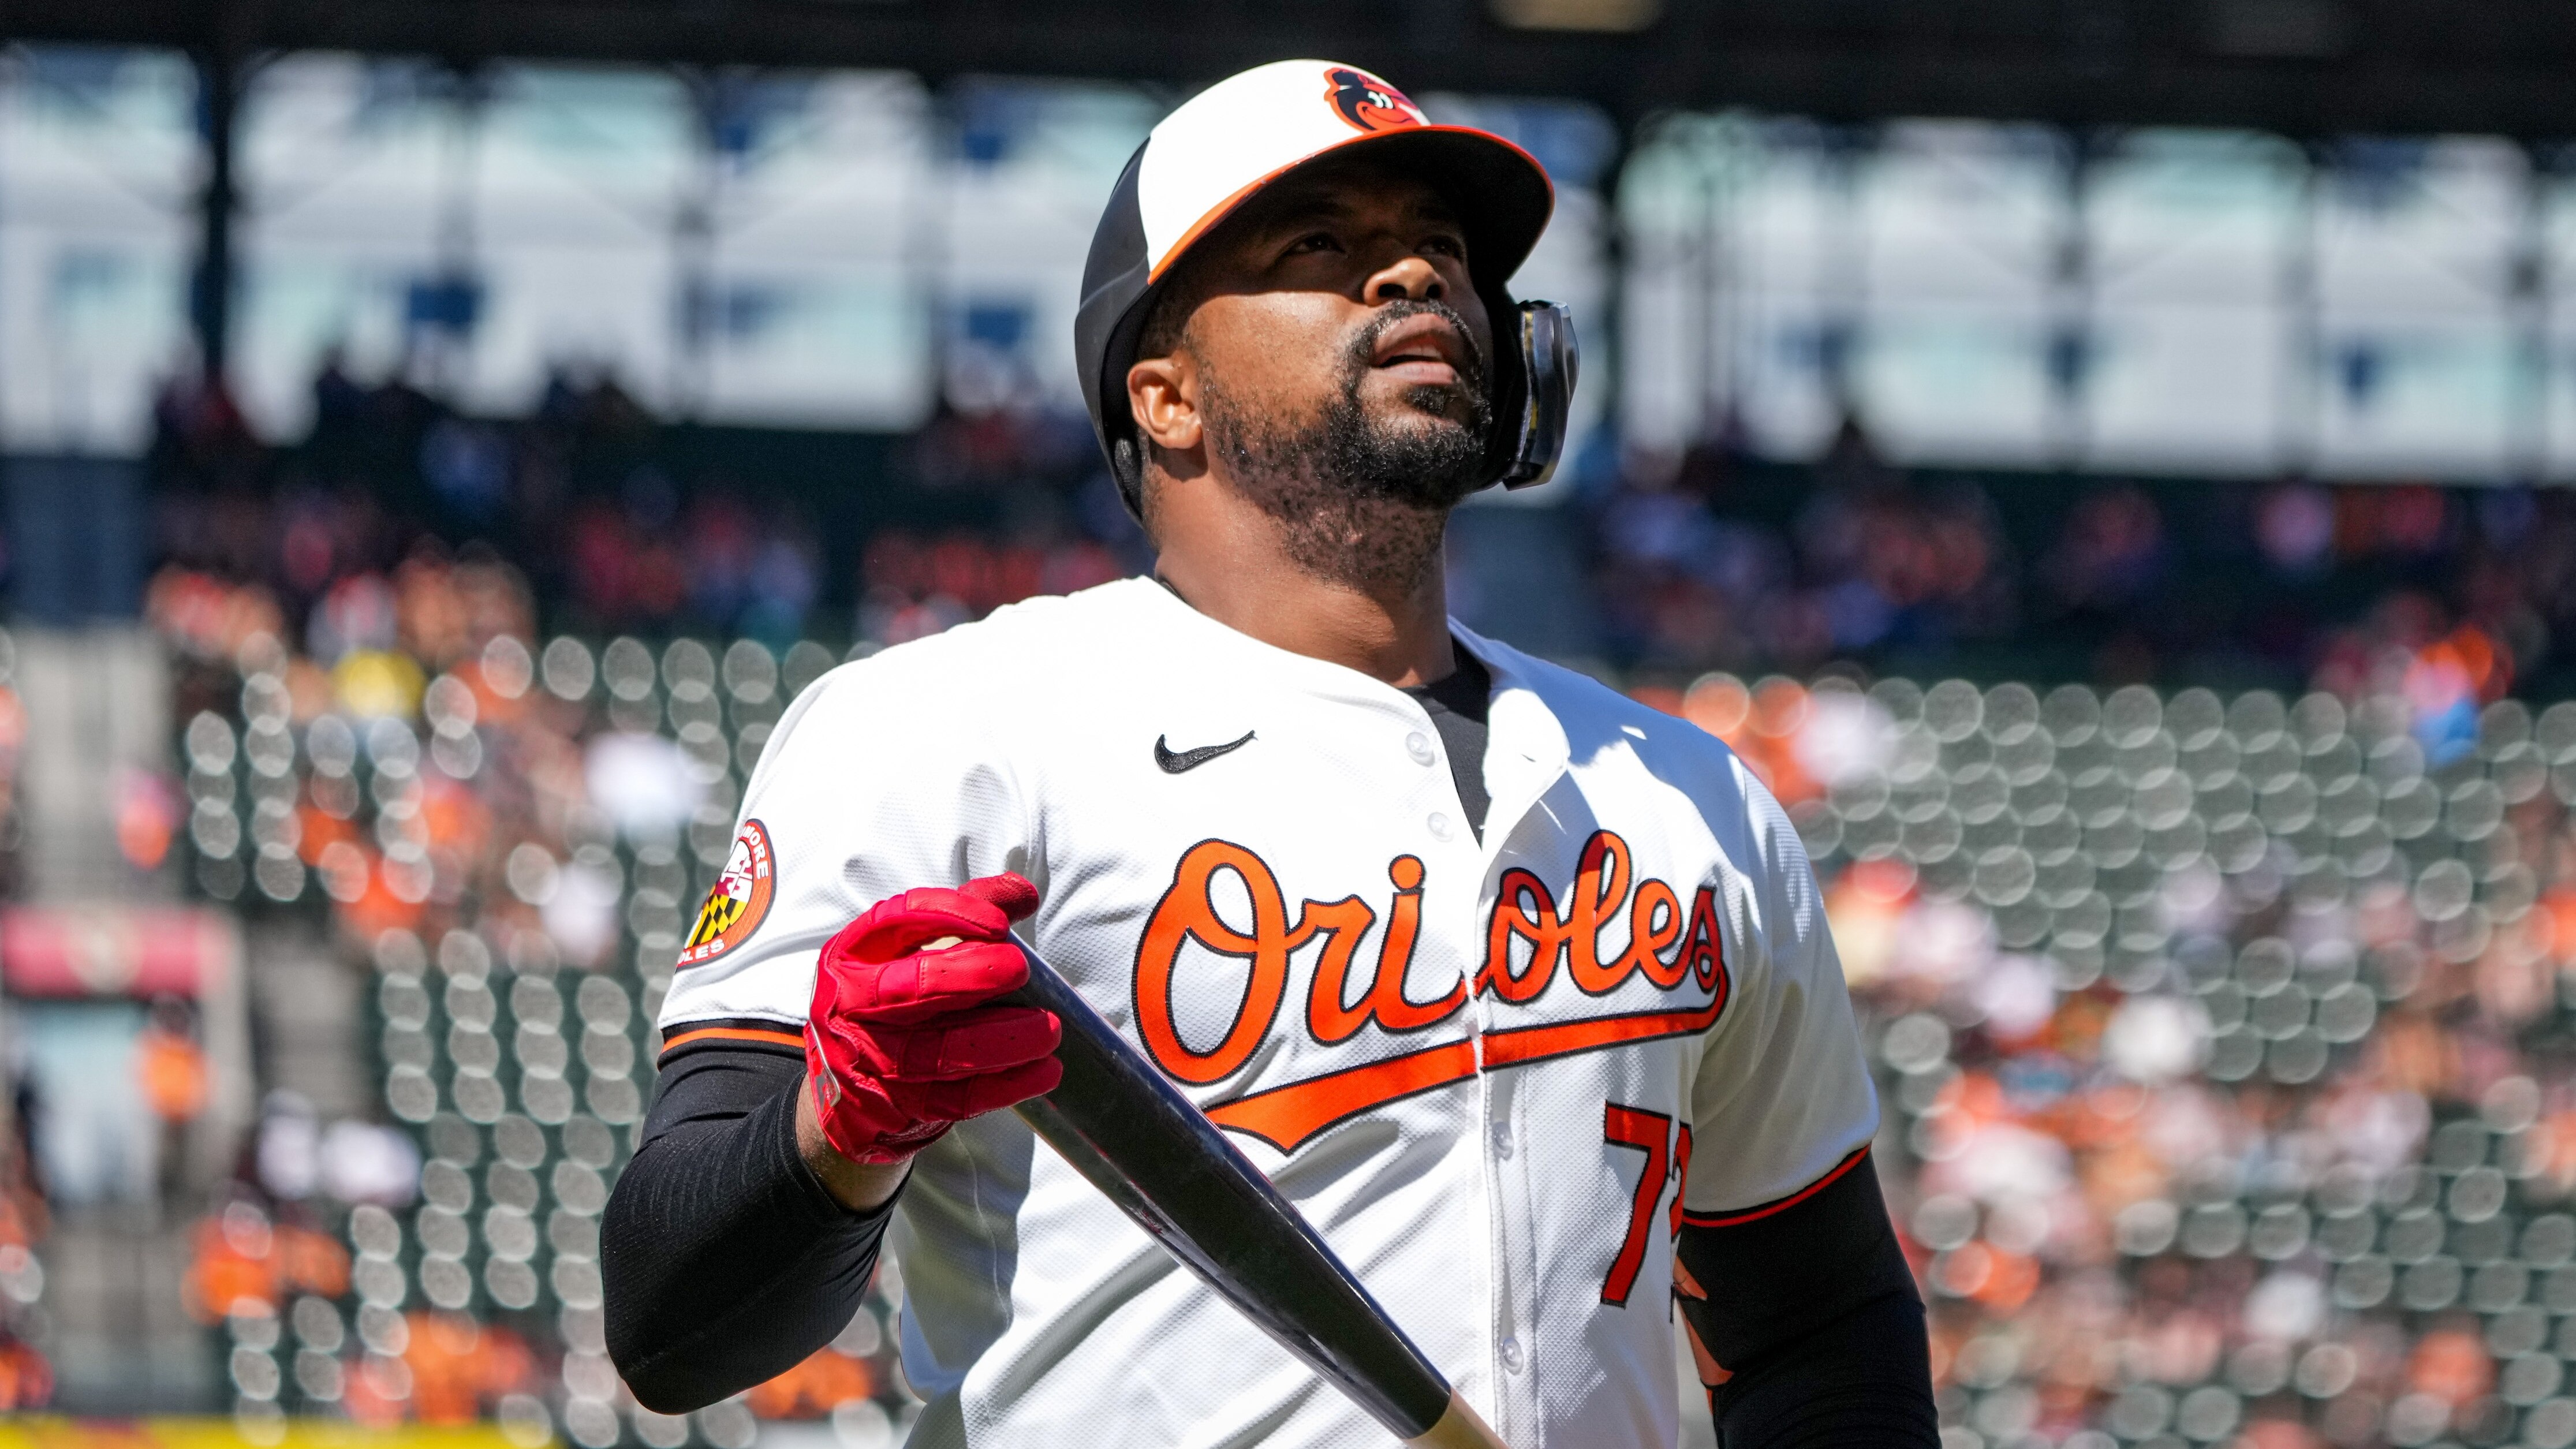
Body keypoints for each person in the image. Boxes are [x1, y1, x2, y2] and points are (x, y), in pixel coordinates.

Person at [603, 59, 1936, 1447]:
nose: (1413, 274)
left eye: (1441, 247)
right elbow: (669, 1323)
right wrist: (838, 1130)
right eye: (1321, 245)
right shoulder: (949, 732)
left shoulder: (1686, 795)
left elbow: (1814, 1328)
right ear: (1164, 395)